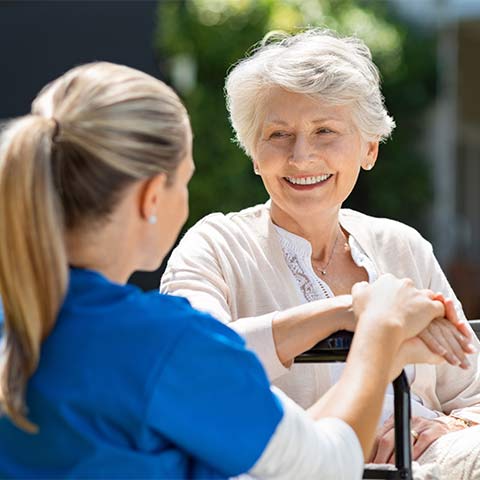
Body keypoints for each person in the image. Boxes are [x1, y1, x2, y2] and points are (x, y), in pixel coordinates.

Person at [0, 61, 451, 479]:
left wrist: (345, 318)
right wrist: (378, 333)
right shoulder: (166, 344)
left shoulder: (23, 318)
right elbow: (324, 464)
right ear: (152, 197)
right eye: (187, 178)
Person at [161, 29, 480, 475]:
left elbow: (472, 389)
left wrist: (446, 431)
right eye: (278, 134)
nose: (301, 156)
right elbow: (193, 366)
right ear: (254, 152)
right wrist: (351, 312)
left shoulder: (401, 245)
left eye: (325, 131)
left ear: (369, 148)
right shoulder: (214, 246)